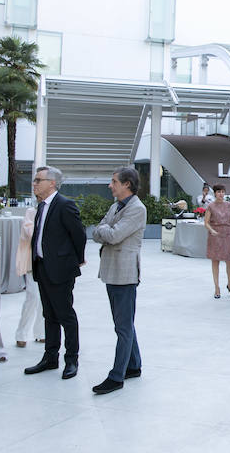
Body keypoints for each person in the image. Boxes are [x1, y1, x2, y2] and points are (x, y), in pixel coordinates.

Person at [24, 166, 86, 381]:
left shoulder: (65, 205)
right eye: (34, 180)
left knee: (65, 315)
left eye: (38, 180)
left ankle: (71, 360)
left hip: (60, 270)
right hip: (42, 268)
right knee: (48, 315)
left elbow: (79, 235)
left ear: (52, 183)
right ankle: (50, 358)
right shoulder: (41, 207)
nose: (34, 184)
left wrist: (77, 260)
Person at [91, 167, 147, 395]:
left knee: (122, 327)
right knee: (124, 323)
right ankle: (133, 365)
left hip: (125, 274)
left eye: (113, 181)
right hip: (112, 271)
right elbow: (97, 232)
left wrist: (105, 229)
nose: (109, 185)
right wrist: (106, 229)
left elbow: (113, 235)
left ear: (127, 184)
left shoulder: (137, 209)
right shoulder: (116, 206)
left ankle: (117, 376)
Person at [14, 206, 44, 348]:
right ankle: (21, 333)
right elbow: (29, 233)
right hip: (32, 261)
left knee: (45, 299)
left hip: (49, 262)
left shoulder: (57, 209)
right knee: (32, 296)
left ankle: (41, 333)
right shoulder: (32, 211)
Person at [204, 184, 230, 298]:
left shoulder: (229, 205)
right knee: (215, 261)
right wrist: (211, 230)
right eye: (219, 192)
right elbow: (206, 222)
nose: (221, 194)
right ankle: (217, 287)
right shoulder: (210, 206)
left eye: (223, 192)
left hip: (227, 234)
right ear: (215, 193)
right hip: (215, 235)